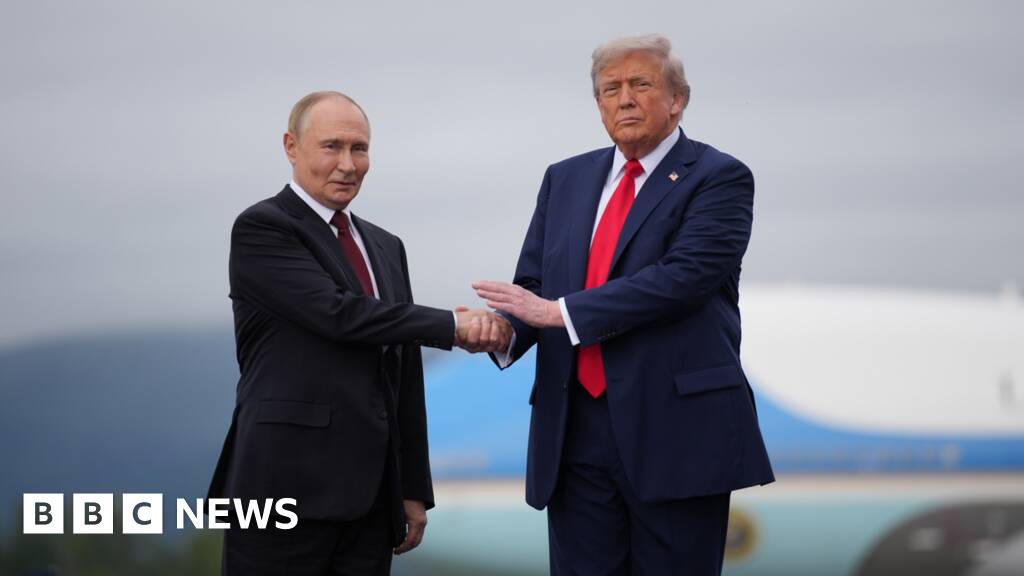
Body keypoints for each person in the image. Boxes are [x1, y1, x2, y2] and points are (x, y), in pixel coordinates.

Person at [473, 34, 775, 575]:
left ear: (678, 99)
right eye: (610, 89)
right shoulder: (564, 178)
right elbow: (535, 284)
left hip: (676, 432)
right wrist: (504, 328)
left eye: (641, 84)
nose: (625, 99)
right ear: (598, 105)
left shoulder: (719, 177)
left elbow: (684, 278)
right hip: (573, 432)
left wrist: (559, 314)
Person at [208, 91, 509, 576]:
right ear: (291, 147)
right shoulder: (262, 228)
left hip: (370, 500)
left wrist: (412, 488)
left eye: (359, 148)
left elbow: (403, 370)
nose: (348, 164)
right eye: (331, 146)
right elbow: (339, 315)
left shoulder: (386, 246)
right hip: (280, 490)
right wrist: (454, 326)